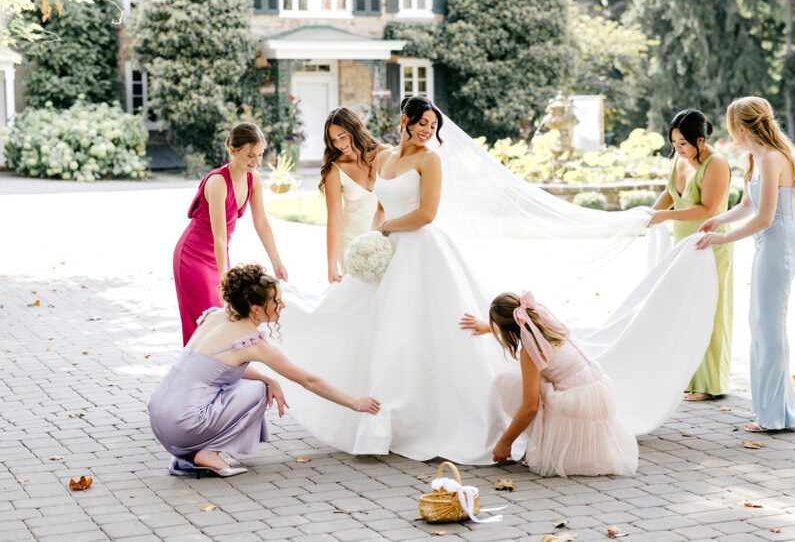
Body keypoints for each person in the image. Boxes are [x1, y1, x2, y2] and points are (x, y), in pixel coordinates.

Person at [278, 96, 721, 464]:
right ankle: (377, 411)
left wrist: (390, 229)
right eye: (420, 124)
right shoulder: (388, 159)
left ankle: (427, 414)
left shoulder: (431, 161)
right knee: (380, 331)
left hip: (423, 251)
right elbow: (382, 205)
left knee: (424, 333)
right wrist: (375, 236)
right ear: (404, 122)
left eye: (432, 125)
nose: (426, 131)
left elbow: (427, 214)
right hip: (391, 252)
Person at [148, 264, 380, 477]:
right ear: (256, 309)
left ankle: (191, 453)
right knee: (258, 390)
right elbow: (308, 381)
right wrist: (355, 403)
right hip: (183, 424)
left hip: (160, 416)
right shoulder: (252, 343)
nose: (283, 305)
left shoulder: (214, 317)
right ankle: (208, 452)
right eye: (277, 301)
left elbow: (212, 368)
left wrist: (271, 379)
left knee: (259, 382)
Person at [696, 96, 795, 432]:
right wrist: (718, 221)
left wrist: (723, 239)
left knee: (769, 328)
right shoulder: (756, 158)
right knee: (759, 323)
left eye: (733, 128)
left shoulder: (773, 158)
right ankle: (776, 409)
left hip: (780, 245)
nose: (733, 135)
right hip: (767, 246)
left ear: (742, 127)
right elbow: (746, 206)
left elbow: (765, 217)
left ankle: (775, 416)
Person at [459, 292, 638, 477]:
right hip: (597, 395)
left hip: (577, 402)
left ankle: (559, 445)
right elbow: (521, 325)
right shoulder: (549, 324)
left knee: (508, 382)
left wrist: (505, 442)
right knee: (530, 380)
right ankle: (574, 444)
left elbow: (530, 406)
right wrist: (488, 327)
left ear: (506, 330)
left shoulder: (529, 352)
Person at [172, 123, 288, 345]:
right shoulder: (218, 181)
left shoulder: (253, 179)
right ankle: (195, 375)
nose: (256, 161)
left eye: (260, 155)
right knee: (206, 325)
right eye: (250, 155)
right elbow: (220, 236)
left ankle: (218, 376)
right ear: (232, 151)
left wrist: (277, 262)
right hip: (193, 257)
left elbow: (261, 223)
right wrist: (225, 281)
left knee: (224, 323)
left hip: (218, 255)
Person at [649, 109, 734, 401]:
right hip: (682, 243)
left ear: (700, 140)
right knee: (683, 309)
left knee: (709, 309)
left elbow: (707, 209)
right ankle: (686, 375)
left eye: (682, 143)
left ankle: (709, 383)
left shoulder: (717, 165)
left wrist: (662, 216)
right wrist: (651, 213)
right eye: (674, 143)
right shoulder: (679, 159)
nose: (677, 149)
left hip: (710, 245)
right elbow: (670, 194)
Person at [319, 107, 386, 282]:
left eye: (342, 136)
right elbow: (334, 220)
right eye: (334, 140)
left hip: (382, 240)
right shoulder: (334, 169)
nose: (339, 144)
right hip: (350, 244)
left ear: (354, 129)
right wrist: (331, 264)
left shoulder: (384, 153)